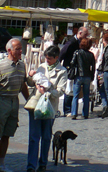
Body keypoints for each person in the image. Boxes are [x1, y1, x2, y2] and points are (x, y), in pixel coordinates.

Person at [26, 44, 67, 172]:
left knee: (46, 136)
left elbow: (61, 91)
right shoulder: (42, 67)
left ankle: (43, 163)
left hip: (49, 107)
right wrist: (31, 77)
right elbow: (32, 82)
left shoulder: (62, 71)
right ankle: (31, 166)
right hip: (36, 105)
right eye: (46, 58)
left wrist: (47, 91)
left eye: (49, 59)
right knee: (34, 137)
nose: (47, 61)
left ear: (56, 58)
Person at [0, 38, 29, 172]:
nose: (20, 51)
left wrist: (29, 101)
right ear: (9, 50)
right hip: (2, 101)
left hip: (14, 102)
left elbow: (23, 84)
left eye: (20, 48)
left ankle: (1, 163)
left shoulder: (22, 65)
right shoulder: (1, 66)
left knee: (7, 134)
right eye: (18, 49)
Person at [59, 26, 89, 117]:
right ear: (80, 33)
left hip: (76, 69)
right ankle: (67, 110)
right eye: (85, 34)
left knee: (73, 90)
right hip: (70, 68)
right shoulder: (71, 42)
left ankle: (71, 109)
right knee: (69, 89)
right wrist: (58, 64)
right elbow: (63, 53)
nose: (86, 36)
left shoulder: (80, 42)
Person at [69, 38, 96, 120]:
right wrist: (92, 76)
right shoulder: (91, 54)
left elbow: (72, 63)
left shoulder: (77, 52)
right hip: (87, 76)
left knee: (76, 95)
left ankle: (74, 113)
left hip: (78, 76)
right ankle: (85, 113)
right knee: (86, 95)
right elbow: (93, 67)